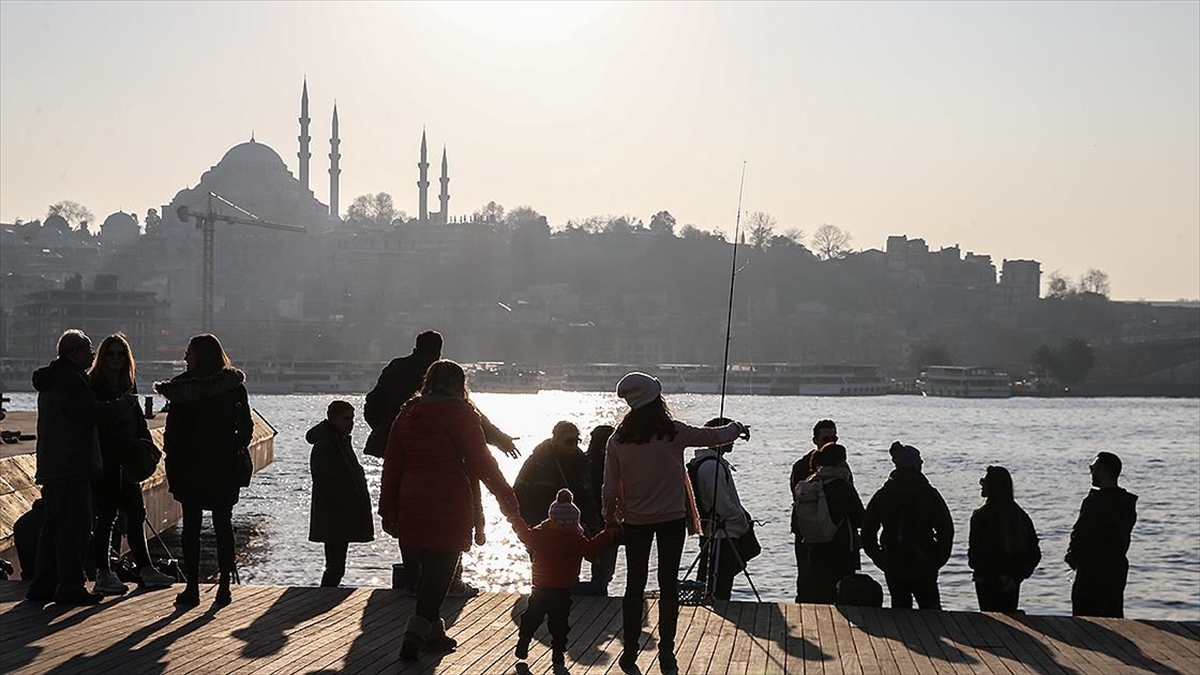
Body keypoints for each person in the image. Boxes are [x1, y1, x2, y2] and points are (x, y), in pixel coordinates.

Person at [603, 372, 749, 675]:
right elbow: (713, 437)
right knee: (668, 584)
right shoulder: (673, 433)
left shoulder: (617, 440)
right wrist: (737, 427)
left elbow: (609, 488)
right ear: (656, 400)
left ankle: (629, 652)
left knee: (634, 585)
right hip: (671, 520)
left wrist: (609, 518)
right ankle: (667, 653)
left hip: (635, 521)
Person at [378, 360, 521, 662]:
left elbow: (392, 465)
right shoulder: (462, 414)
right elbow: (483, 462)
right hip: (449, 500)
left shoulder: (407, 414)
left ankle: (433, 634)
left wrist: (387, 508)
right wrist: (507, 498)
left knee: (427, 573)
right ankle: (414, 634)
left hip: (412, 498)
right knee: (441, 572)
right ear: (459, 384)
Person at [366, 330, 519, 596]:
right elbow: (475, 428)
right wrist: (502, 441)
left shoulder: (398, 378)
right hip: (445, 466)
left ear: (416, 346)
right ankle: (451, 582)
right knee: (449, 523)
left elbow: (372, 403)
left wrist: (384, 430)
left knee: (409, 517)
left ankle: (416, 580)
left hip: (403, 450)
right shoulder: (446, 386)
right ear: (438, 350)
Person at [26, 329, 136, 606]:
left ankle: (42, 585)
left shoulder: (52, 378)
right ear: (75, 353)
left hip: (53, 464)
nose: (92, 354)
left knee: (53, 526)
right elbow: (90, 412)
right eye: (88, 349)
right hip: (73, 465)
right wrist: (122, 404)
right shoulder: (72, 380)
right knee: (76, 527)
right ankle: (71, 587)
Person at [155, 333, 253, 608]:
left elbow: (173, 433)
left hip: (190, 465)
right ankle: (224, 587)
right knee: (223, 525)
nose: (185, 357)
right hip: (223, 465)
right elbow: (245, 426)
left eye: (189, 353)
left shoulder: (182, 388)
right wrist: (234, 447)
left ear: (198, 355)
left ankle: (192, 587)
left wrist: (173, 458)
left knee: (191, 527)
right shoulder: (232, 386)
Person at [87, 334, 174, 595]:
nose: (115, 358)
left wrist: (146, 444)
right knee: (107, 516)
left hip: (128, 459)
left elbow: (137, 420)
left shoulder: (127, 383)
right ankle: (103, 572)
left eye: (120, 354)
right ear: (102, 357)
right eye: (111, 353)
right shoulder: (95, 384)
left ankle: (145, 569)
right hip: (106, 460)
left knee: (136, 513)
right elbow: (100, 423)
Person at [511, 489, 617, 667]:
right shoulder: (576, 540)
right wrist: (608, 533)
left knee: (532, 616)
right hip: (562, 590)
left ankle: (524, 639)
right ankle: (558, 653)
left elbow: (523, 534)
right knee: (559, 624)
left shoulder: (539, 535)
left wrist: (516, 519)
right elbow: (592, 547)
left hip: (540, 588)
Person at [514, 422, 605, 595]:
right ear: (555, 439)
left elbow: (588, 497)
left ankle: (562, 599)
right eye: (569, 441)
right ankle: (543, 598)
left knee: (569, 572)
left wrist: (593, 527)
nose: (574, 446)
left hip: (572, 527)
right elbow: (519, 492)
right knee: (543, 572)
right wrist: (528, 524)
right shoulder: (537, 462)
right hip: (543, 526)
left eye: (577, 441)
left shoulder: (580, 461)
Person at [861, 441, 953, 610]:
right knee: (932, 611)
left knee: (900, 610)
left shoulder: (884, 494)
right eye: (919, 460)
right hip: (923, 561)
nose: (922, 463)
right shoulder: (928, 494)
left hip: (893, 560)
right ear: (915, 465)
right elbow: (946, 530)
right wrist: (938, 558)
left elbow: (867, 530)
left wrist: (880, 558)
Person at [307, 400, 374, 587]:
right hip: (334, 513)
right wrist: (347, 505)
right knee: (335, 565)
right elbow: (325, 482)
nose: (350, 423)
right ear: (333, 419)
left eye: (352, 419)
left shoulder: (339, 441)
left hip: (338, 512)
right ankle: (325, 594)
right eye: (346, 419)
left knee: (336, 564)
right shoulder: (327, 445)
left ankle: (326, 594)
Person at [1065, 452, 1138, 618]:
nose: (1091, 472)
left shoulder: (1095, 502)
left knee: (1085, 618)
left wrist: (1072, 556)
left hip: (1092, 572)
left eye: (1093, 468)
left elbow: (1081, 534)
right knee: (1113, 615)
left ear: (1103, 471)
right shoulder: (1127, 503)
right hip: (1116, 569)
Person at [689, 417, 753, 601]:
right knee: (719, 585)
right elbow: (723, 505)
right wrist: (741, 520)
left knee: (713, 580)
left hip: (715, 532)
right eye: (729, 436)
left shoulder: (707, 463)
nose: (732, 441)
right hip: (721, 534)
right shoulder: (711, 466)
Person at [968, 465, 1041, 612]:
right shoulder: (1020, 516)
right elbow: (1034, 552)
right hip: (1010, 581)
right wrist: (1017, 577)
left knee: (989, 620)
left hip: (987, 582)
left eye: (984, 482)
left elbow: (977, 552)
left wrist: (979, 570)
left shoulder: (981, 516)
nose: (981, 485)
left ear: (993, 486)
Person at [789, 419, 845, 603]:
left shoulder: (841, 466)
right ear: (815, 440)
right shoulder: (802, 466)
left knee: (832, 581)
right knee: (806, 578)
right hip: (808, 530)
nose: (831, 442)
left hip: (832, 531)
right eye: (826, 438)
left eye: (834, 438)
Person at [803, 443, 865, 604]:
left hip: (814, 545)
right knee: (842, 593)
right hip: (841, 547)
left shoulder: (811, 482)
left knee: (820, 593)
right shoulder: (842, 485)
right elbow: (859, 517)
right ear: (841, 461)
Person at [581, 424, 618, 596]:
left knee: (574, 563)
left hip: (583, 520)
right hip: (606, 520)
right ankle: (600, 592)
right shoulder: (614, 463)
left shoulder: (582, 462)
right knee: (603, 570)